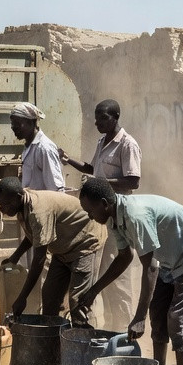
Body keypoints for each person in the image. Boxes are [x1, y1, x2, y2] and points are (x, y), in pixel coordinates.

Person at [76, 177, 183, 365]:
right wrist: (93, 291)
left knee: (178, 319)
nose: (89, 216)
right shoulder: (114, 218)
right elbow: (124, 258)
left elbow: (150, 267)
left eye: (90, 210)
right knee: (158, 315)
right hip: (169, 258)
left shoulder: (134, 215)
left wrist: (138, 317)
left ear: (104, 204)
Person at [61, 99, 143, 330]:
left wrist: (102, 183)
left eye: (103, 118)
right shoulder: (102, 141)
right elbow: (92, 169)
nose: (97, 122)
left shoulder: (127, 144)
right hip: (102, 215)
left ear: (116, 117)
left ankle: (124, 324)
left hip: (118, 214)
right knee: (105, 268)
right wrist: (68, 160)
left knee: (120, 271)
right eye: (96, 118)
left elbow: (133, 181)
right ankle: (111, 324)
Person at [0, 177, 105, 325]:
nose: (2, 210)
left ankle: (84, 336)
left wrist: (22, 298)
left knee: (78, 302)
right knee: (50, 297)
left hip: (85, 242)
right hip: (63, 248)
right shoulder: (21, 205)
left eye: (5, 205)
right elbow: (34, 235)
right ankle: (52, 337)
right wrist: (15, 257)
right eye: (0, 205)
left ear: (18, 197)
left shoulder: (38, 212)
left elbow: (39, 260)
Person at [11, 102, 65, 192]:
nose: (13, 127)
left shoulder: (44, 148)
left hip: (44, 201)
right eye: (12, 124)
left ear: (31, 123)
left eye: (17, 123)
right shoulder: (29, 146)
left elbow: (56, 188)